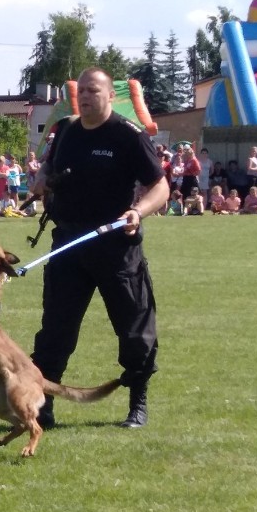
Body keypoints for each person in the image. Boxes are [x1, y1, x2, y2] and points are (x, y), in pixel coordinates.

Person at [30, 67, 169, 430]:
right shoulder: (66, 132)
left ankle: (137, 404)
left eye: (95, 91)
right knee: (55, 331)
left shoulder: (128, 136)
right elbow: (48, 165)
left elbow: (161, 187)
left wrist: (138, 212)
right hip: (69, 244)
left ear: (110, 96)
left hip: (115, 246)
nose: (87, 97)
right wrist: (42, 179)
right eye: (84, 92)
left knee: (134, 329)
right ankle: (42, 406)